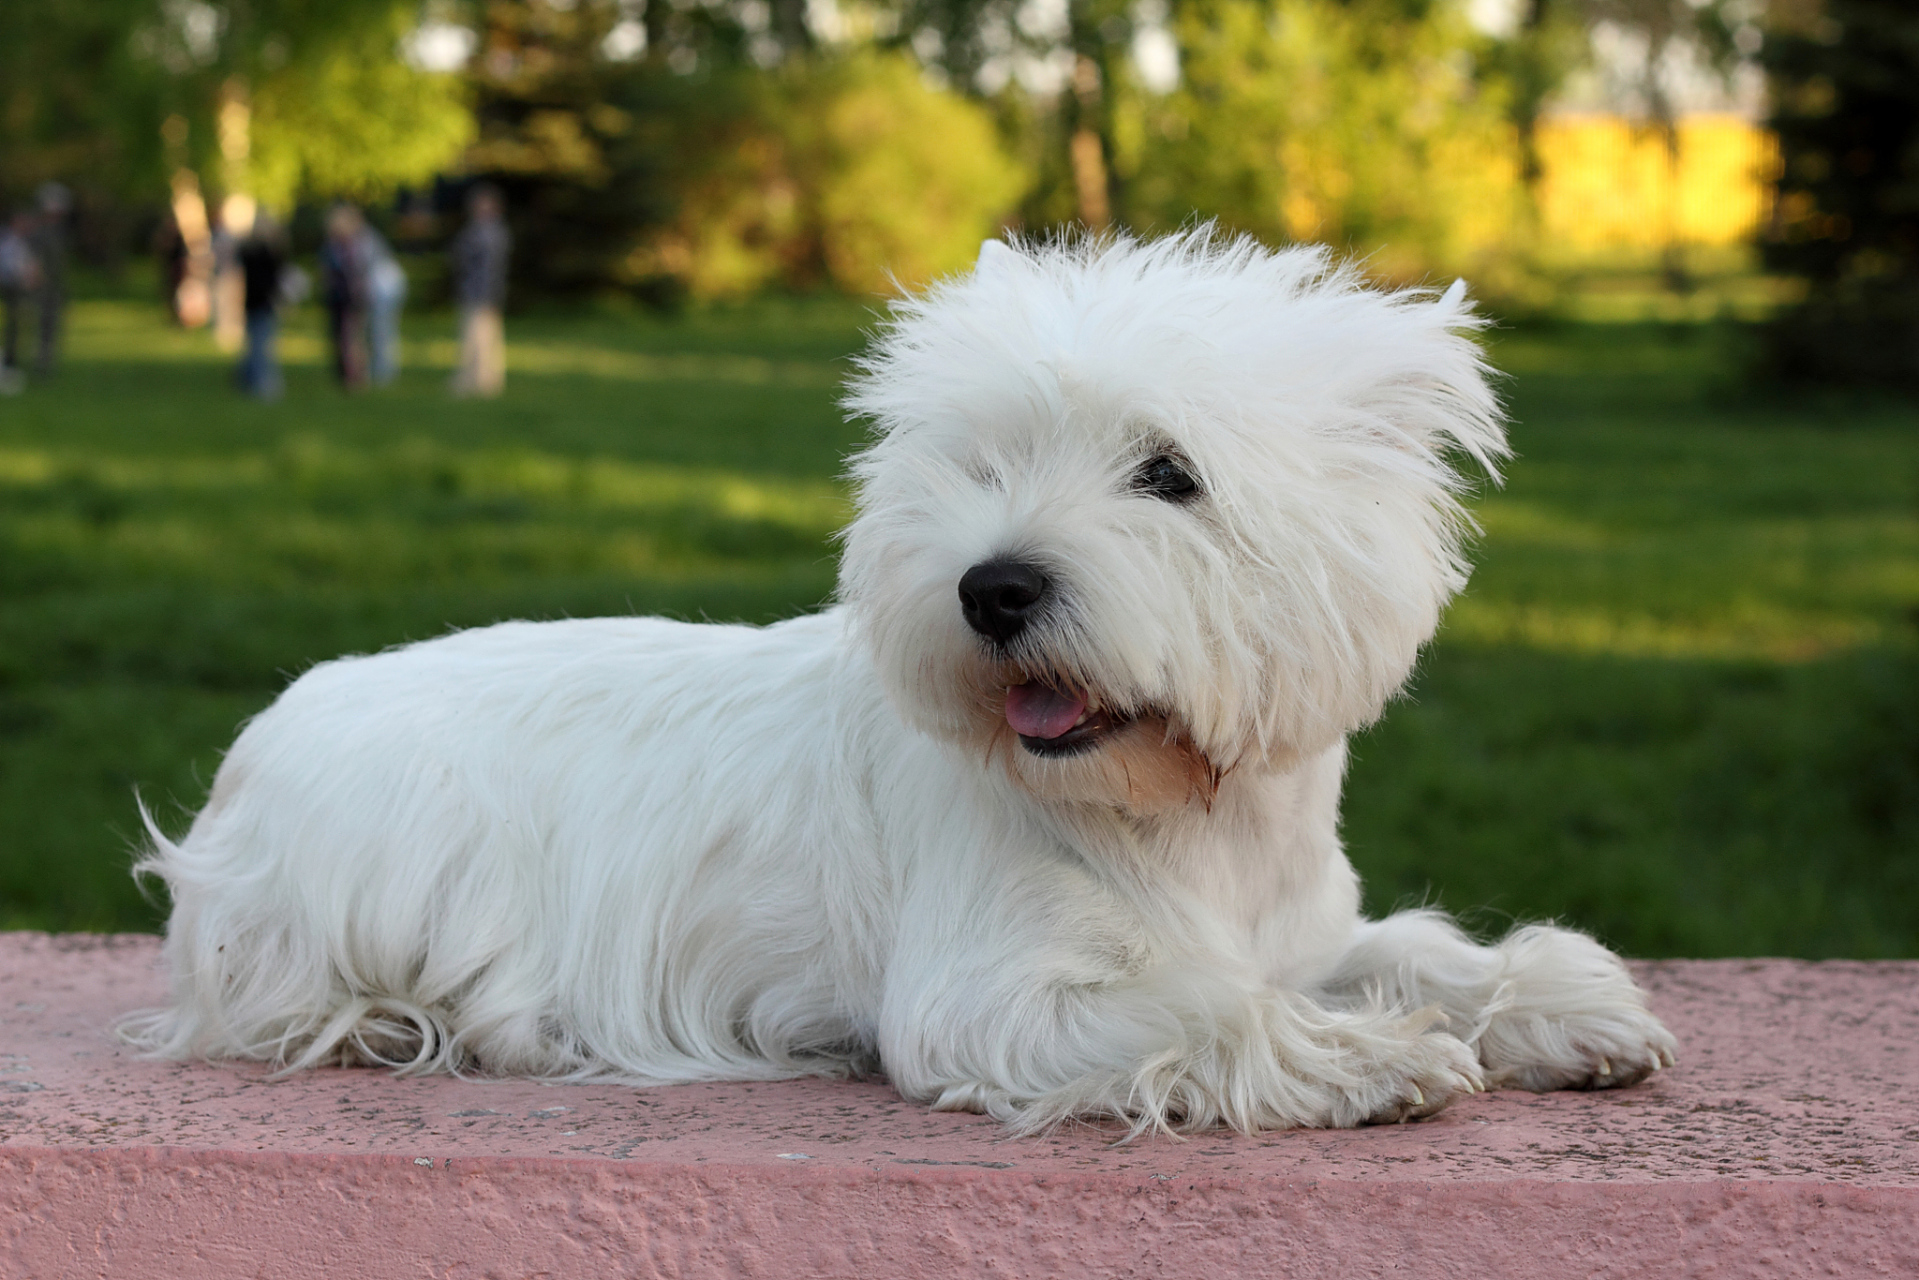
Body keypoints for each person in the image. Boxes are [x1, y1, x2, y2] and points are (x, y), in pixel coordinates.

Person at [450, 185, 509, 397]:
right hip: (480, 291)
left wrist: (489, 294)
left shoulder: (488, 233)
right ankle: (484, 380)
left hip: (481, 293)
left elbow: (486, 267)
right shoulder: (490, 231)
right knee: (481, 337)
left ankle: (479, 381)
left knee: (479, 338)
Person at [318, 203, 370, 389]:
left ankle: (355, 376)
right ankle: (347, 374)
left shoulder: (356, 246)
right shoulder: (332, 247)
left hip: (352, 298)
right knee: (341, 337)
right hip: (338, 297)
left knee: (351, 337)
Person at [236, 210, 287, 400]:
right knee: (261, 345)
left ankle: (250, 380)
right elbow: (270, 280)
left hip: (255, 303)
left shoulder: (252, 250)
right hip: (261, 303)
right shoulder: (262, 251)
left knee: (256, 343)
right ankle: (261, 383)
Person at [28, 182, 69, 376]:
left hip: (54, 285)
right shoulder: (38, 231)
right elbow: (32, 258)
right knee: (38, 324)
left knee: (51, 326)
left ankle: (45, 362)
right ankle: (37, 363)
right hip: (40, 286)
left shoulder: (58, 230)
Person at [361, 220, 407, 386]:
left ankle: (383, 371)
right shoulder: (368, 238)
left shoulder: (366, 240)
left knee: (382, 332)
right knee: (376, 332)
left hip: (384, 291)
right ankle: (378, 369)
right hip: (382, 290)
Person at [0, 209, 40, 395]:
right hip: (10, 288)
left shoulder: (24, 241)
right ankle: (8, 363)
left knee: (17, 327)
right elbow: (8, 264)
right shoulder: (8, 240)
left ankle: (11, 362)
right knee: (12, 326)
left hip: (18, 289)